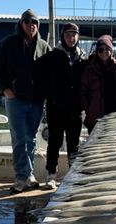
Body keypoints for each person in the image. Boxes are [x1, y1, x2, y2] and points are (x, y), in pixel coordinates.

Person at [0, 9, 51, 194]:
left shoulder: (44, 47)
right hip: (15, 100)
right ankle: (20, 177)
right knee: (19, 138)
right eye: (27, 21)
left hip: (37, 101)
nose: (31, 25)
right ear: (21, 24)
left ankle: (29, 174)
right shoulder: (8, 44)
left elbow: (51, 74)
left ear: (38, 25)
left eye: (34, 22)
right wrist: (5, 89)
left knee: (30, 139)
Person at [35, 23, 87, 190]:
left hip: (75, 110)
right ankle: (51, 175)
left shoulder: (82, 58)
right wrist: (49, 95)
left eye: (74, 35)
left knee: (74, 144)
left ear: (78, 37)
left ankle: (72, 175)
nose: (71, 38)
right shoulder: (52, 55)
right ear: (62, 36)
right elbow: (36, 74)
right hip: (56, 108)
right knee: (54, 142)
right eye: (67, 35)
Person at [81, 35, 116, 134]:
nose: (104, 52)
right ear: (97, 51)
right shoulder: (89, 70)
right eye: (100, 50)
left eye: (107, 49)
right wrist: (88, 110)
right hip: (95, 118)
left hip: (115, 116)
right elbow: (82, 92)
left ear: (111, 50)